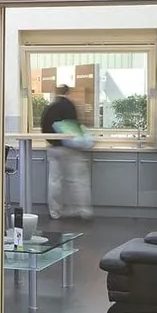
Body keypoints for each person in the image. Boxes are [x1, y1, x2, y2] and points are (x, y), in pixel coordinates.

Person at [40, 85, 93, 220]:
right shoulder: (69, 106)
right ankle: (84, 210)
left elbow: (44, 128)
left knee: (54, 181)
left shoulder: (50, 107)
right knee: (78, 180)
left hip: (54, 149)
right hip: (70, 149)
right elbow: (75, 127)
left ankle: (55, 212)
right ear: (68, 92)